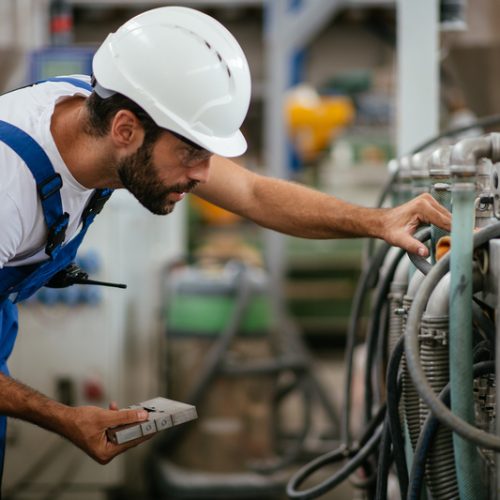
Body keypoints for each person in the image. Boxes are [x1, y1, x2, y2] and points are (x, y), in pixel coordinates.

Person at [0, 5, 450, 481]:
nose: (201, 175)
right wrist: (65, 419)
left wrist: (378, 221)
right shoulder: (9, 188)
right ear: (125, 130)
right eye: (192, 153)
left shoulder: (103, 112)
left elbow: (254, 193)